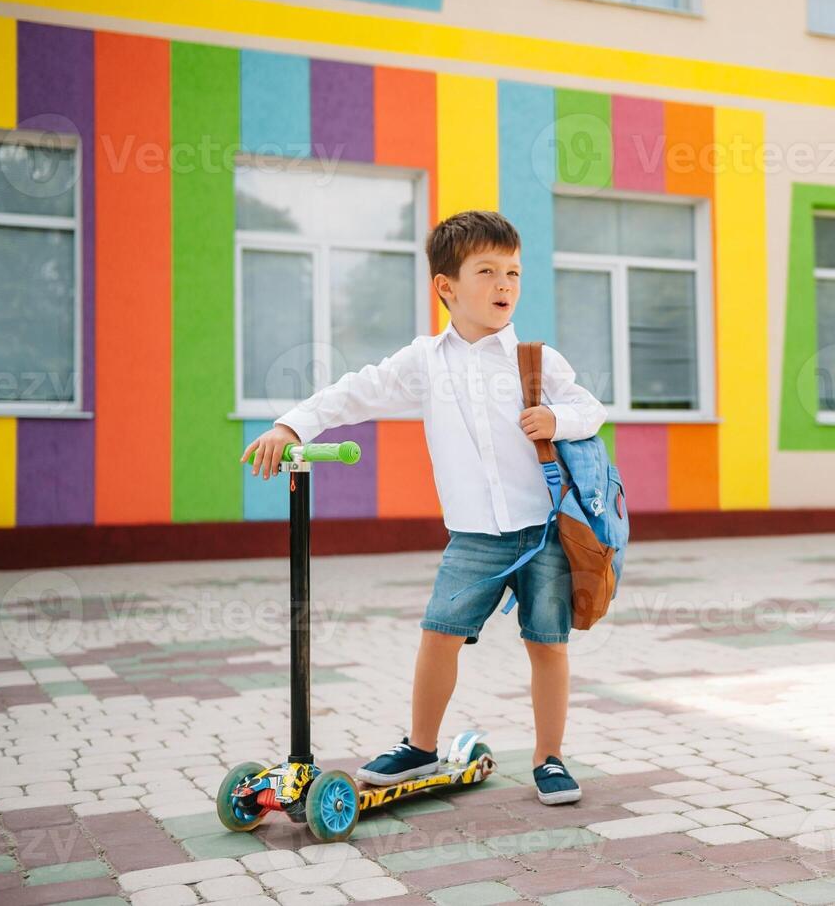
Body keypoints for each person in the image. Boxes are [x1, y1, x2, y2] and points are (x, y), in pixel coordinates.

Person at [240, 209, 606, 805]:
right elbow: (355, 389)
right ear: (446, 287)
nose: (503, 285)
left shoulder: (535, 360)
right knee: (439, 634)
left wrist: (557, 418)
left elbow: (592, 408)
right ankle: (420, 744)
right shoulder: (425, 362)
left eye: (512, 272)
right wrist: (290, 425)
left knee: (548, 643)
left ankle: (550, 759)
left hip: (543, 532)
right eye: (486, 271)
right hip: (475, 538)